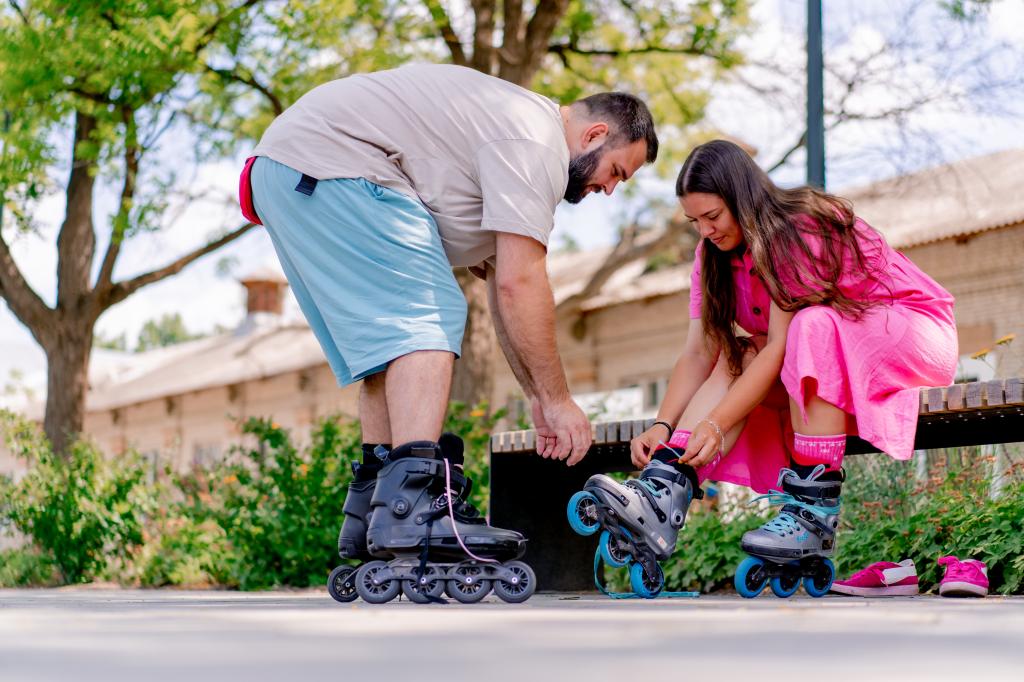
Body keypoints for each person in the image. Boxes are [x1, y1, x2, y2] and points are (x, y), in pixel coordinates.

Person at [239, 63, 659, 599]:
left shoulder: (509, 138)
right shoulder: (536, 144)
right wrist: (558, 401)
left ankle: (376, 502)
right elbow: (520, 283)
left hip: (293, 171)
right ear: (595, 135)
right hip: (335, 163)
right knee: (429, 317)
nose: (609, 190)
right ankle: (414, 504)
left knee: (391, 348)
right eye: (619, 172)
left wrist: (535, 394)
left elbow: (499, 291)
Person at [624, 139, 957, 593]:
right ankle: (667, 487)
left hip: (914, 335)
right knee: (736, 351)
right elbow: (699, 352)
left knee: (811, 324)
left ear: (741, 199)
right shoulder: (712, 257)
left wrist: (718, 424)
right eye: (694, 221)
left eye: (714, 217)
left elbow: (782, 346)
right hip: (832, 352)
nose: (705, 231)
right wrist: (662, 427)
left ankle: (814, 511)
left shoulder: (794, 232)